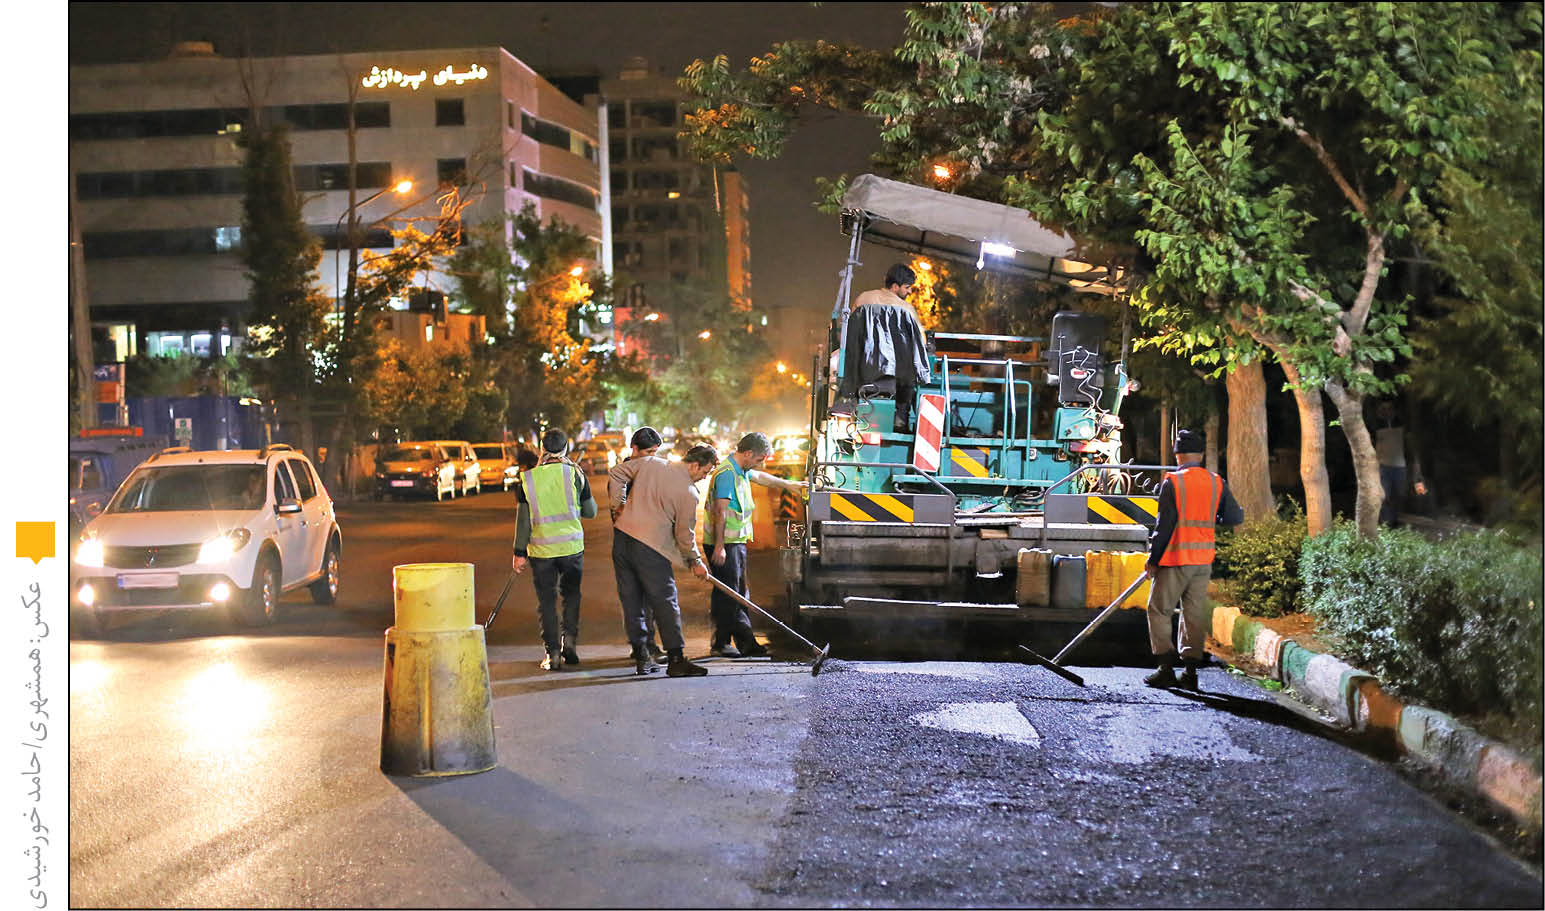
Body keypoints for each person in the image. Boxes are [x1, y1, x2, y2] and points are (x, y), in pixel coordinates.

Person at [1141, 429, 1244, 691]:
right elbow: (1234, 517)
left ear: (1177, 455)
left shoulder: (1173, 482)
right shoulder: (1216, 481)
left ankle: (1165, 668)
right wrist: (1212, 518)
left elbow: (1164, 526)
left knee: (1159, 610)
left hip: (1176, 558)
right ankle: (1190, 673)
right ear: (1200, 455)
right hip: (1203, 560)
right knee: (1194, 613)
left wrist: (1153, 559)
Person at [608, 443, 719, 677]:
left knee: (631, 600)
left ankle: (642, 656)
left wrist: (618, 505)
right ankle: (676, 660)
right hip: (650, 547)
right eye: (705, 471)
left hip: (622, 540)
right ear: (695, 465)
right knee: (665, 601)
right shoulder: (688, 493)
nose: (704, 477)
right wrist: (695, 561)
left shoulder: (651, 463)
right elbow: (684, 535)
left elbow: (616, 472)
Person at [704, 432, 805, 658]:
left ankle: (735, 642)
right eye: (759, 459)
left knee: (734, 592)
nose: (760, 464)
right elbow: (720, 511)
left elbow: (761, 477)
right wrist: (719, 546)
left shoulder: (741, 469)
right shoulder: (727, 474)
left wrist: (790, 485)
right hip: (725, 543)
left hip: (733, 542)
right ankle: (731, 643)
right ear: (748, 453)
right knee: (732, 594)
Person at [512, 429, 597, 672]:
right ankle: (569, 642)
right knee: (571, 596)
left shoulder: (528, 479)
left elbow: (523, 521)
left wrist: (519, 553)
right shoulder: (576, 474)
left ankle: (553, 654)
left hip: (541, 552)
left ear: (542, 449)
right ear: (565, 449)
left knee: (547, 602)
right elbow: (591, 512)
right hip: (572, 548)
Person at [836, 263, 932, 433]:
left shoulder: (863, 299)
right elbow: (921, 342)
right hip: (895, 375)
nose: (910, 292)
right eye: (907, 287)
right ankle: (900, 417)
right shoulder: (906, 309)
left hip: (861, 370)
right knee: (910, 375)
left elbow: (850, 333)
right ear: (895, 286)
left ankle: (848, 407)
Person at [612, 426, 668, 662]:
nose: (652, 458)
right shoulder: (623, 474)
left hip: (650, 541)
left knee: (649, 598)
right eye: (649, 452)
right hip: (630, 542)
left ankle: (646, 645)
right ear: (634, 449)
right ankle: (643, 647)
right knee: (634, 598)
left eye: (655, 452)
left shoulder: (652, 472)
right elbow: (618, 509)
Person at [1375, 402, 1407, 526]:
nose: (1387, 411)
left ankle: (1394, 520)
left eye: (1389, 408)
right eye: (1383, 409)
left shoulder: (1401, 425)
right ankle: (1385, 523)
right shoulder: (1376, 426)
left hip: (1400, 465)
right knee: (1384, 496)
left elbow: (1408, 444)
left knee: (1398, 495)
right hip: (1383, 465)